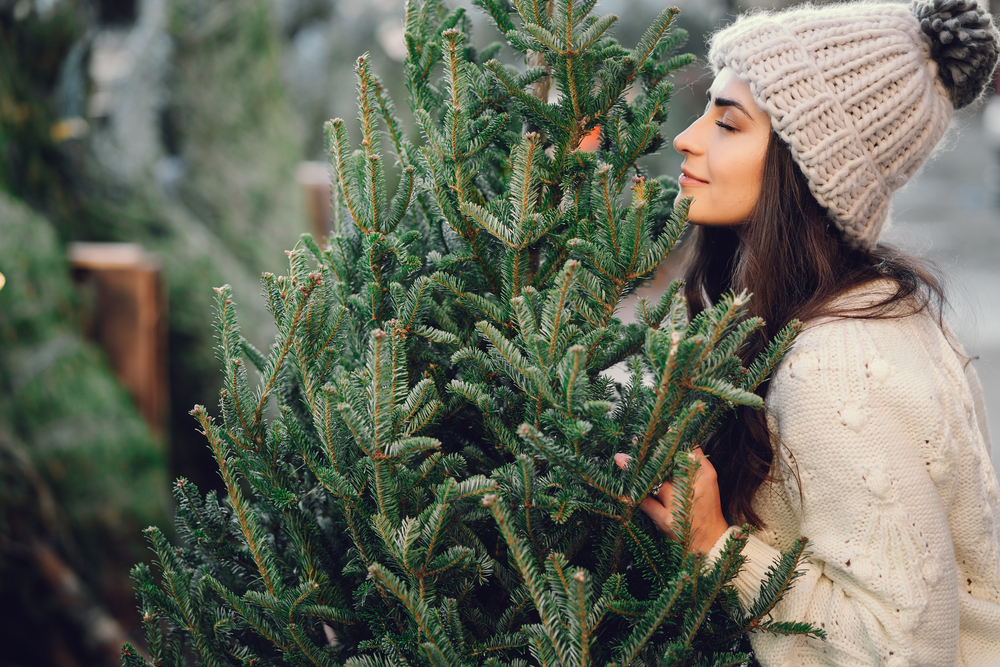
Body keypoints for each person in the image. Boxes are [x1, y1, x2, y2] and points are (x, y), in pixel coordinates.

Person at [614, 0, 1000, 664]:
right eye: (708, 110)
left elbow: (903, 649)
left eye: (729, 123)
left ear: (806, 165)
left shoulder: (835, 366)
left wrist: (714, 545)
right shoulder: (862, 307)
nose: (689, 136)